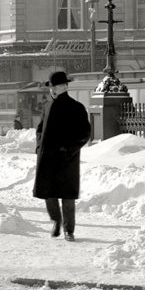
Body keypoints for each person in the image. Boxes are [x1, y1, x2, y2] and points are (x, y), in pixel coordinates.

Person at [33, 70, 91, 241]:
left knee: (67, 195)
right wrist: (39, 147)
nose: (53, 89)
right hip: (47, 157)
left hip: (66, 158)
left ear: (65, 86)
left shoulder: (76, 107)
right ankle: (56, 221)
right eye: (51, 86)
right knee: (48, 193)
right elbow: (39, 129)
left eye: (56, 86)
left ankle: (69, 230)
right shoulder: (47, 106)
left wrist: (68, 149)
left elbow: (85, 133)